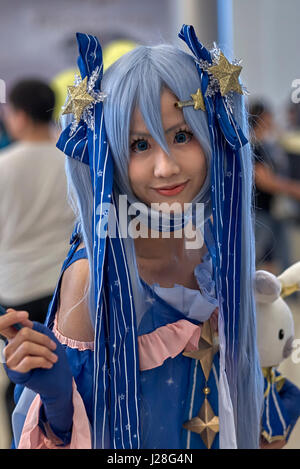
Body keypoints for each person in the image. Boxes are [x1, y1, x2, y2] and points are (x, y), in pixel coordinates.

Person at [0, 26, 266, 449]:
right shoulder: (94, 279)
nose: (166, 168)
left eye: (182, 136)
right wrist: (57, 401)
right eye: (140, 145)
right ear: (110, 154)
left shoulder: (214, 243)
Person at [0, 79, 75, 432]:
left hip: (17, 290)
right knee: (68, 370)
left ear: (18, 115)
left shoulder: (4, 165)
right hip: (68, 286)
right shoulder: (74, 161)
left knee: (23, 376)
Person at [249, 100, 300, 273]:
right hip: (260, 211)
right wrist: (293, 189)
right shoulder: (253, 146)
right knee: (252, 255)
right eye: (269, 116)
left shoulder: (268, 145)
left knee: (286, 256)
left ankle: (290, 293)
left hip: (274, 210)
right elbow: (263, 180)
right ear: (261, 118)